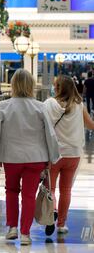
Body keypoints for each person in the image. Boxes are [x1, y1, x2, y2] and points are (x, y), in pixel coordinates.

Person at [0, 69, 60, 246]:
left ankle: (12, 228)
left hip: (11, 157)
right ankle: (25, 233)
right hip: (36, 157)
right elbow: (50, 134)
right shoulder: (40, 106)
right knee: (28, 195)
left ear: (13, 85)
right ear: (31, 85)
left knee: (11, 191)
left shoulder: (4, 106)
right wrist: (52, 157)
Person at [44, 75, 94, 236]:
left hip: (53, 154)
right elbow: (91, 126)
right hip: (73, 154)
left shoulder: (49, 104)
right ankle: (61, 224)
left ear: (58, 88)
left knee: (50, 189)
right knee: (66, 190)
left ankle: (53, 213)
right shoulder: (79, 106)